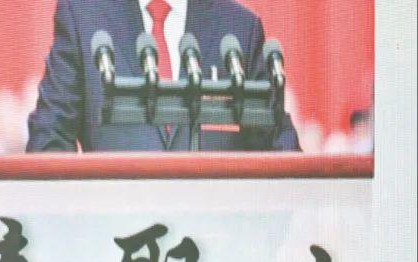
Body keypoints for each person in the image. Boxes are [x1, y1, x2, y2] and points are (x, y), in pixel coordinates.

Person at [26, 0, 301, 152]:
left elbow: (277, 147)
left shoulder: (239, 27)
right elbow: (49, 138)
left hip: (217, 233)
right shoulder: (83, 16)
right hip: (114, 232)